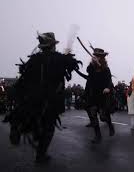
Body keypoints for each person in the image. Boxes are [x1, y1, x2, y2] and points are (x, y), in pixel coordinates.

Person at [7, 32, 82, 163]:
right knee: (48, 127)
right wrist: (68, 55)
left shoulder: (34, 59)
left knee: (31, 117)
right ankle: (40, 154)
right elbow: (71, 65)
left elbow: (24, 77)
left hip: (33, 97)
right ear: (53, 45)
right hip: (50, 98)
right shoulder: (59, 58)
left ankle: (18, 128)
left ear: (41, 46)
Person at [84, 48, 115, 143]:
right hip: (93, 94)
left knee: (103, 116)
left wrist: (108, 88)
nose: (96, 57)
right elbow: (88, 70)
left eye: (98, 56)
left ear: (102, 57)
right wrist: (93, 63)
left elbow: (109, 80)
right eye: (95, 56)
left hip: (103, 95)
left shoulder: (106, 69)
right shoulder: (91, 68)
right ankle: (98, 135)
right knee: (93, 114)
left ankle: (110, 126)